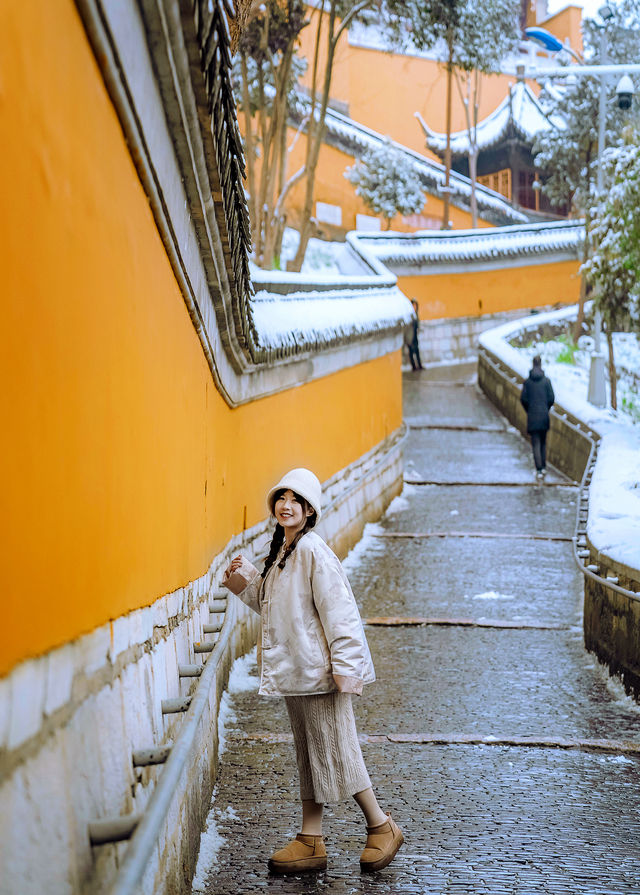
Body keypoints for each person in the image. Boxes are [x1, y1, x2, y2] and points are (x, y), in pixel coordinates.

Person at [222, 467, 404, 875]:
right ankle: (311, 839)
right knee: (310, 755)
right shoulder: (285, 552)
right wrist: (247, 579)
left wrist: (348, 668)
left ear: (309, 510)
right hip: (298, 673)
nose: (286, 505)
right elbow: (276, 608)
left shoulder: (313, 550)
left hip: (321, 675)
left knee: (339, 750)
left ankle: (381, 825)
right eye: (281, 498)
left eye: (295, 500)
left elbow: (340, 613)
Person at [520, 355, 555, 481]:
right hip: (544, 416)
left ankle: (538, 468)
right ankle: (544, 467)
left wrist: (529, 410)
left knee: (535, 443)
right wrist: (546, 408)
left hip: (533, 416)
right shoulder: (546, 381)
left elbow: (523, 399)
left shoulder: (528, 382)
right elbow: (551, 398)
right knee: (543, 442)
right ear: (540, 364)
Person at [404, 299, 423, 371]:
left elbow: (417, 324)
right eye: (413, 305)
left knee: (417, 350)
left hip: (415, 334)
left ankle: (419, 365)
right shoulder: (409, 315)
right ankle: (414, 367)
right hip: (409, 335)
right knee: (411, 351)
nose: (414, 307)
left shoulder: (416, 314)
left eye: (415, 306)